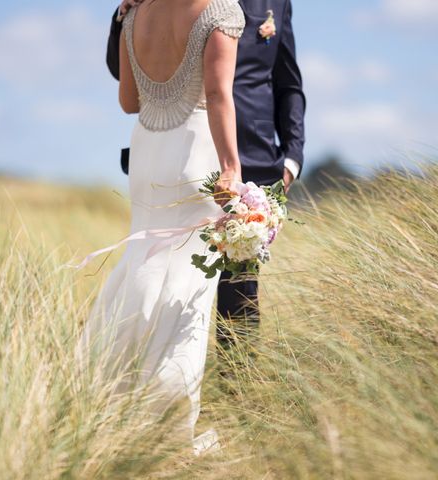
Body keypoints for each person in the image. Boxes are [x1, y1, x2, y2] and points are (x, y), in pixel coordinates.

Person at [81, 0, 246, 455]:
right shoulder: (219, 11)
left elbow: (128, 101)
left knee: (142, 266)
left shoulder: (136, 12)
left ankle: (111, 396)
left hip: (148, 155)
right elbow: (217, 96)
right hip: (195, 153)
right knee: (187, 289)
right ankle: (168, 424)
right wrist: (232, 168)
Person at [108, 0, 306, 363]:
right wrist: (122, 14)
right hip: (194, 154)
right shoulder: (158, 6)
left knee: (239, 292)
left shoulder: (274, 3)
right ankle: (162, 383)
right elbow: (124, 69)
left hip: (251, 158)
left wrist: (292, 156)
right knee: (172, 277)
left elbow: (287, 80)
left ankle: (239, 390)